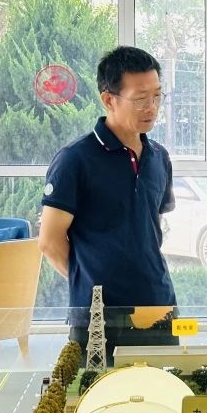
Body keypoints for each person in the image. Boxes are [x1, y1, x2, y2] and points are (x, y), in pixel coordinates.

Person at [39, 45, 178, 365]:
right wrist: (90, 282)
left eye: (157, 96)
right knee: (96, 393)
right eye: (140, 98)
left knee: (163, 391)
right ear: (108, 99)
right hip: (98, 316)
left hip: (158, 305)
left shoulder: (159, 157)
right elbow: (49, 241)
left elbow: (150, 227)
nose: (152, 107)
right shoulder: (75, 159)